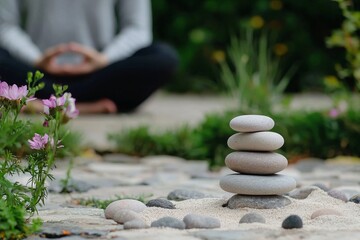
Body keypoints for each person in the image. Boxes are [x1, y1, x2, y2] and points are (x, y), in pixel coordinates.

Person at [0, 0, 178, 114]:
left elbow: (137, 29)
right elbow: (5, 26)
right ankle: (83, 105)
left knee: (163, 58)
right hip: (37, 73)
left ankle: (43, 103)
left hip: (100, 73)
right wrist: (36, 59)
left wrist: (104, 59)